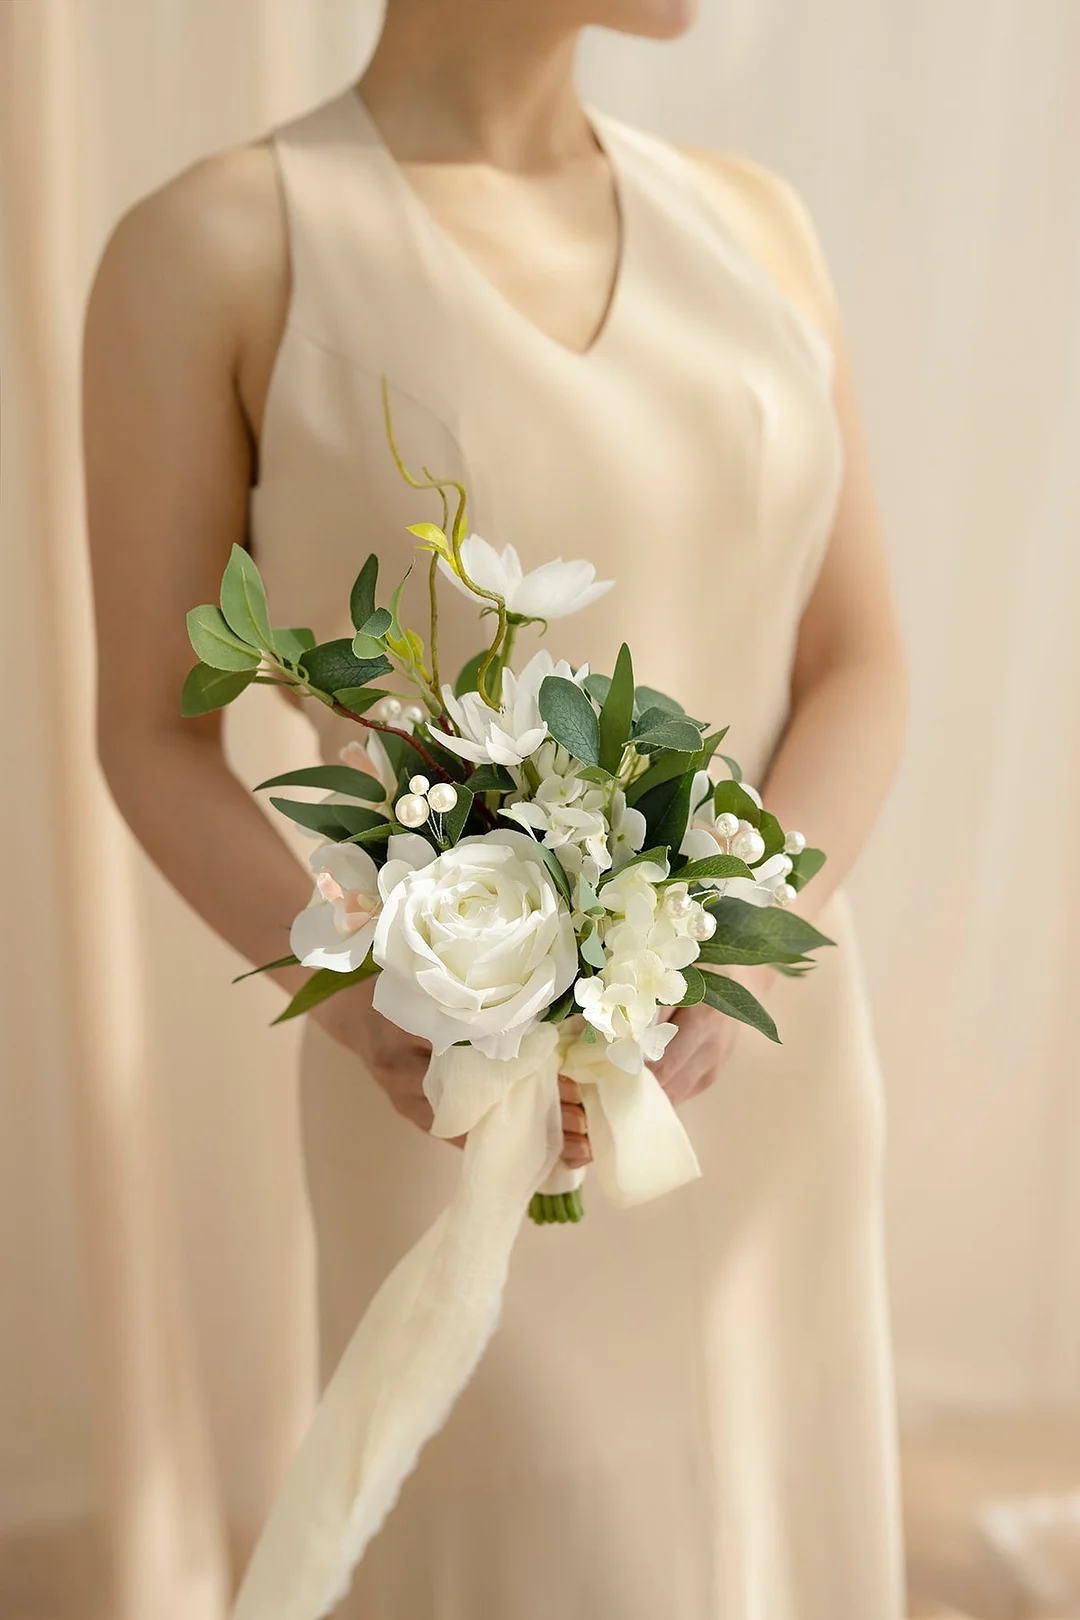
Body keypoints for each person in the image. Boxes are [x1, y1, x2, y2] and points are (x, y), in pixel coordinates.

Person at [83, 0, 909, 1614]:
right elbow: (149, 733)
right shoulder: (219, 247)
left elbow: (862, 659)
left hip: (764, 1062)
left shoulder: (756, 224)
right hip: (459, 1104)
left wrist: (746, 941)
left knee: (775, 1536)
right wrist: (355, 997)